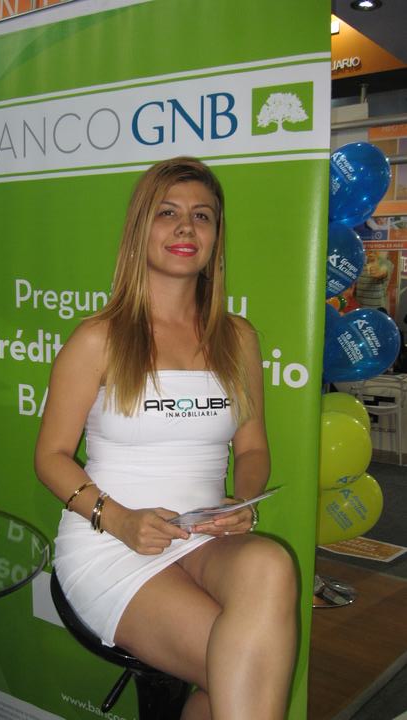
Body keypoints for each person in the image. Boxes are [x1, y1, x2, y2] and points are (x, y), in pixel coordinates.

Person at [35, 157, 297, 720]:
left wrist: (242, 501)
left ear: (215, 237)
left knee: (270, 564)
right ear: (141, 229)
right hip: (111, 543)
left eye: (202, 216)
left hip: (203, 536)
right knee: (247, 674)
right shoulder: (98, 338)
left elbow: (252, 449)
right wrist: (117, 518)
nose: (186, 227)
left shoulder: (238, 338)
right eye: (168, 213)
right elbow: (50, 458)